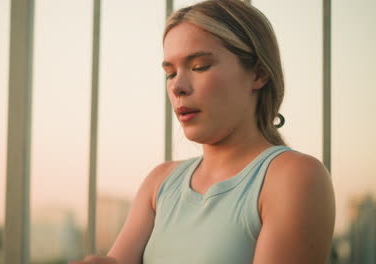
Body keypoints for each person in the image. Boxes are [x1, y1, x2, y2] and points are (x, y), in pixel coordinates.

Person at [71, 0, 335, 263]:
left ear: (259, 73)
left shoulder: (294, 177)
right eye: (170, 73)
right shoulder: (159, 183)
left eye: (199, 67)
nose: (177, 87)